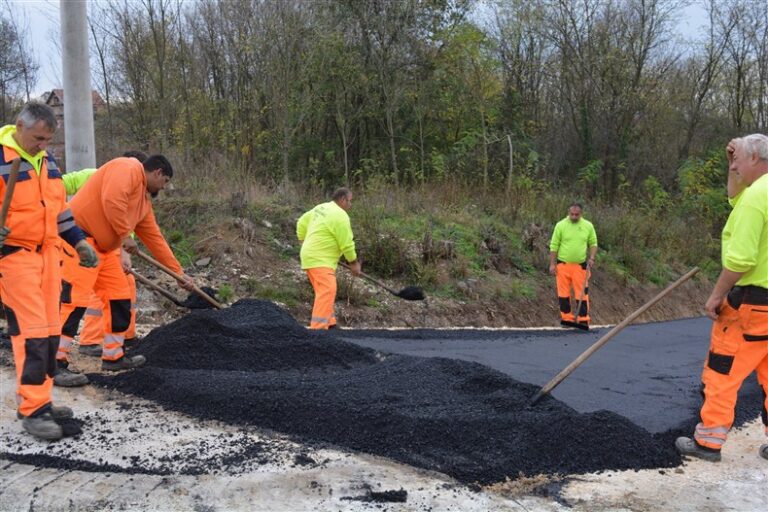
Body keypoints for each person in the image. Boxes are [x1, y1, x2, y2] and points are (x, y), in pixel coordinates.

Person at [0, 102, 97, 440]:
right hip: (15, 258)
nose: (42, 145)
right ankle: (32, 410)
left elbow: (59, 211)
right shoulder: (2, 160)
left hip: (50, 257)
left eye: (47, 140)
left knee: (52, 332)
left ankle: (42, 398)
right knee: (32, 334)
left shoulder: (47, 161)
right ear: (19, 126)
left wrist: (79, 241)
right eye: (38, 138)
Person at [54, 154, 195, 387]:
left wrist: (178, 273)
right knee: (74, 302)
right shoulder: (127, 167)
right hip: (80, 241)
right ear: (158, 172)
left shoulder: (143, 203)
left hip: (106, 249)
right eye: (166, 181)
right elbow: (112, 200)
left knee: (119, 296)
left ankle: (113, 356)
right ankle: (55, 362)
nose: (165, 187)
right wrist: (123, 236)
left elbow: (155, 239)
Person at [676, 134, 768, 462]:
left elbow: (741, 260)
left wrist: (717, 295)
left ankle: (709, 442)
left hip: (752, 305)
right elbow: (735, 198)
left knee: (722, 370)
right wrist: (732, 167)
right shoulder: (760, 193)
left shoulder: (757, 197)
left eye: (738, 160)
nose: (733, 165)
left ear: (755, 159)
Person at [65, 151, 147, 359]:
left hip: (108, 245)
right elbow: (62, 184)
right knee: (83, 295)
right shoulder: (96, 175)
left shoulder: (134, 192)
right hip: (82, 238)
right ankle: (87, 342)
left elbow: (126, 224)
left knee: (122, 290)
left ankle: (121, 344)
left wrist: (123, 250)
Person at [296, 187, 361, 329]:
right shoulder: (341, 216)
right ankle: (318, 330)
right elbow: (347, 244)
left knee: (324, 291)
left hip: (311, 257)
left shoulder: (322, 207)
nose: (351, 205)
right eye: (350, 201)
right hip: (319, 260)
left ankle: (330, 324)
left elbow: (301, 222)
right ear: (343, 199)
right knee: (327, 290)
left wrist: (303, 243)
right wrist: (354, 263)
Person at [549, 203, 598, 328]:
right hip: (563, 265)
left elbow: (593, 243)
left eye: (577, 214)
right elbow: (554, 245)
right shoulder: (560, 225)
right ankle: (567, 319)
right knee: (563, 293)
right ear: (568, 212)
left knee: (582, 294)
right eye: (572, 214)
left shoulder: (588, 226)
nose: (574, 216)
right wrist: (552, 264)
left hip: (580, 267)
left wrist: (592, 258)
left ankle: (583, 319)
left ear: (581, 214)